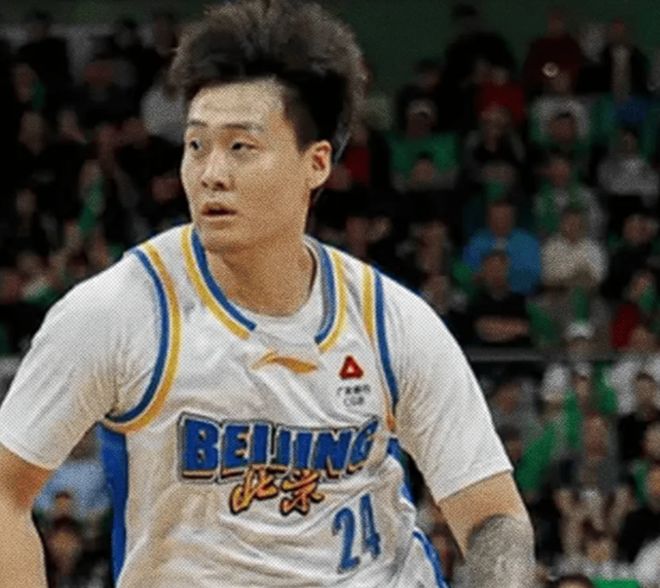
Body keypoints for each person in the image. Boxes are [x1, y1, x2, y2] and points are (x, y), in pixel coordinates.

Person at [0, 1, 534, 587]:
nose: (211, 173)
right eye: (196, 145)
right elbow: (6, 491)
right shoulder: (117, 311)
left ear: (317, 163)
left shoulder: (391, 321)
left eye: (241, 147)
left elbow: (495, 517)